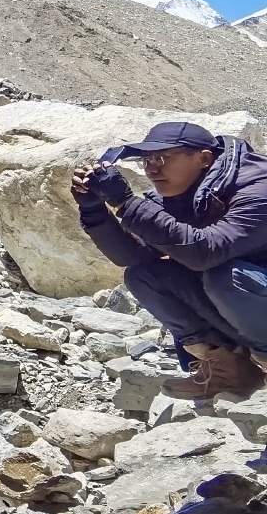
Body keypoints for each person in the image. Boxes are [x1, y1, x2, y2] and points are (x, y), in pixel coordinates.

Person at [72, 121, 267, 402]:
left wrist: (126, 203)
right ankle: (232, 369)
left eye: (161, 158)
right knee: (145, 276)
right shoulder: (181, 195)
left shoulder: (257, 188)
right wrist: (93, 208)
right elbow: (131, 255)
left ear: (203, 158)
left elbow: (206, 251)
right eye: (146, 160)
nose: (152, 168)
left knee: (225, 276)